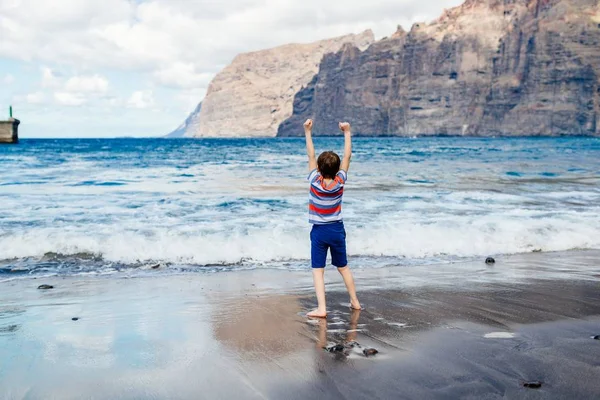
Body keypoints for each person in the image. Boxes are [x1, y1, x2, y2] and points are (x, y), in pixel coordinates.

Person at [304, 119, 361, 318]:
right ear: (337, 170)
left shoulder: (313, 181)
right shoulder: (340, 181)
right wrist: (347, 132)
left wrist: (308, 131)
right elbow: (348, 156)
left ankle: (322, 308)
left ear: (318, 169)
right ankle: (355, 301)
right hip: (337, 229)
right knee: (343, 267)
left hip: (319, 231)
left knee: (318, 270)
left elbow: (310, 154)